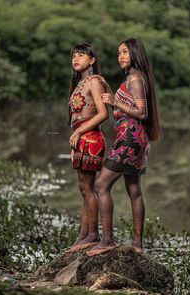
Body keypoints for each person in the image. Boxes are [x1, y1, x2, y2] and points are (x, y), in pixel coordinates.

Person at [87, 38, 160, 256]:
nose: (121, 56)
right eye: (119, 53)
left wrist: (114, 102)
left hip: (129, 140)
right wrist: (110, 92)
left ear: (135, 54)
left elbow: (141, 112)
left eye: (125, 52)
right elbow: (126, 102)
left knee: (100, 185)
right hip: (137, 140)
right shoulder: (134, 78)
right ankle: (137, 245)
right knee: (134, 189)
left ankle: (107, 240)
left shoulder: (136, 79)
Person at [67, 43, 108, 253]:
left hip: (91, 138)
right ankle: (84, 235)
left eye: (81, 55)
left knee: (88, 188)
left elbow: (103, 113)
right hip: (82, 138)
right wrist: (76, 135)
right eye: (74, 55)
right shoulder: (80, 82)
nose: (76, 58)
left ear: (92, 60)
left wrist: (78, 132)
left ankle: (93, 235)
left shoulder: (93, 82)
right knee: (84, 189)